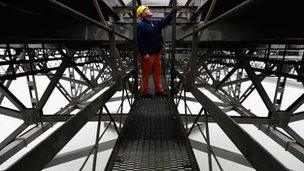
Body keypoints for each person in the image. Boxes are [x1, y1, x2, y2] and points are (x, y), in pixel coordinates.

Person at [136, 4, 179, 97]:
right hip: (148, 55)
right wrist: (144, 53)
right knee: (145, 74)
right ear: (142, 14)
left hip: (156, 53)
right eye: (146, 9)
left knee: (157, 73)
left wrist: (173, 11)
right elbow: (140, 41)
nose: (149, 10)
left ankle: (159, 91)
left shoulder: (154, 23)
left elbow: (165, 21)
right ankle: (145, 92)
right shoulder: (141, 26)